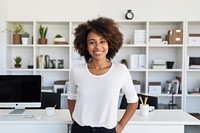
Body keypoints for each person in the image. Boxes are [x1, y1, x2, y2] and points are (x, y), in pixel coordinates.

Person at [68, 17, 138, 133]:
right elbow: (71, 98)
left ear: (109, 44)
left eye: (102, 41)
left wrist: (121, 125)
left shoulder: (121, 70)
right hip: (80, 130)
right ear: (85, 46)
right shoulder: (77, 71)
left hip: (107, 130)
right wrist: (75, 120)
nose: (97, 47)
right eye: (92, 42)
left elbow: (133, 101)